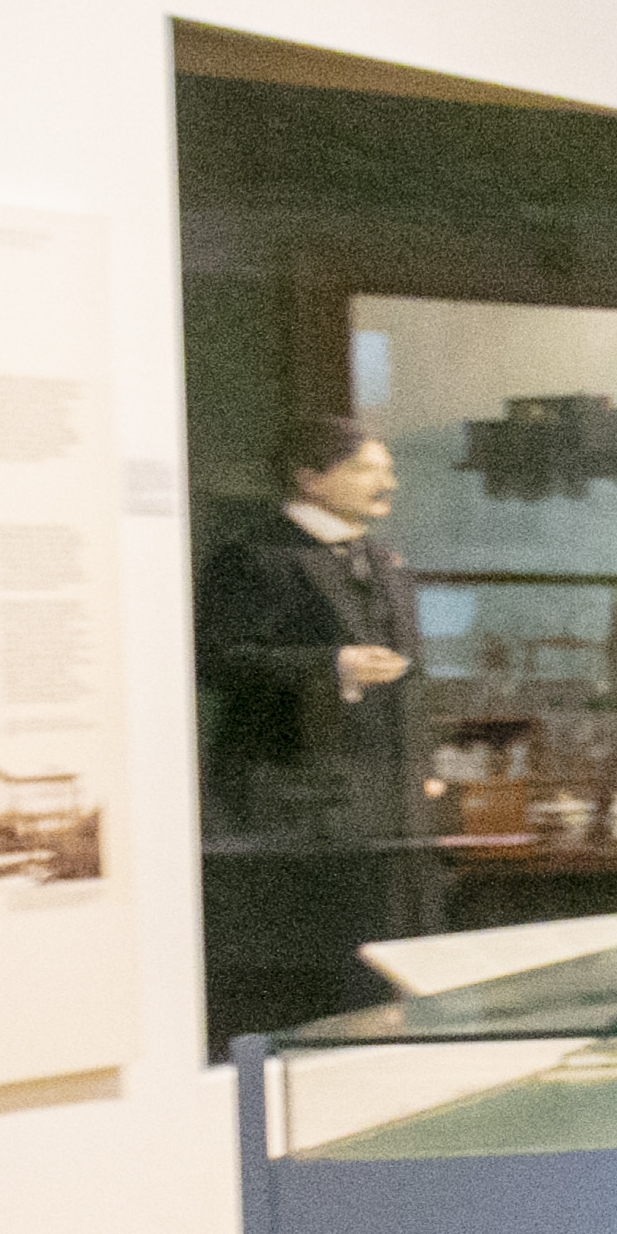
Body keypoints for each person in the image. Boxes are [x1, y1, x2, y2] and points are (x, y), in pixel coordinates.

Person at [193, 417, 434, 1044]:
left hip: (383, 796)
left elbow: (409, 676)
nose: (388, 482)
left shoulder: (385, 561)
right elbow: (211, 660)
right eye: (364, 468)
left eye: (387, 467)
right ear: (309, 476)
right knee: (302, 955)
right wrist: (331, 666)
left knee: (381, 955)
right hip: (287, 797)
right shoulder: (252, 556)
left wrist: (417, 771)